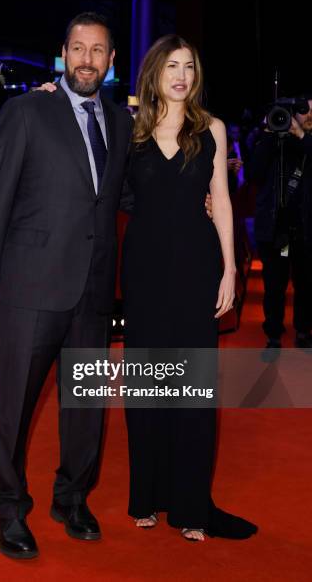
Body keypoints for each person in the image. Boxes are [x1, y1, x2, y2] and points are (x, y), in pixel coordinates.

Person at [0, 12, 134, 559]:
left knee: (85, 406)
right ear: (63, 54)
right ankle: (10, 508)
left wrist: (197, 201)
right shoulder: (26, 110)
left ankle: (71, 497)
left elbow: (122, 198)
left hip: (93, 286)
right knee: (15, 405)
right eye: (78, 49)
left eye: (98, 50)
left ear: (111, 61)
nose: (87, 59)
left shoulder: (121, 123)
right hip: (29, 285)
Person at [120, 35, 258, 541]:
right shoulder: (128, 128)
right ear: (154, 71)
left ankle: (191, 506)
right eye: (172, 65)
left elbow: (220, 200)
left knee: (193, 390)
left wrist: (230, 268)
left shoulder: (213, 128)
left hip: (199, 266)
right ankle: (147, 497)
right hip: (144, 270)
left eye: (190, 67)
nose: (181, 75)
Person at [250, 95, 312, 351]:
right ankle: (273, 333)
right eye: (305, 111)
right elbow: (254, 174)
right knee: (274, 285)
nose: (309, 116)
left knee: (306, 284)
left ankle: (303, 330)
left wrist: (301, 136)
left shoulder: (308, 143)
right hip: (276, 227)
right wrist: (268, 132)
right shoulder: (272, 141)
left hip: (307, 228)